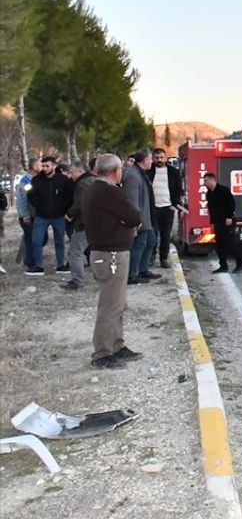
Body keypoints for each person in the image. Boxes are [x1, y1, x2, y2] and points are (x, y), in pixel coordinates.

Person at [81, 153, 144, 369]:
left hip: (105, 253)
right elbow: (134, 217)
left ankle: (117, 345)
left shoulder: (93, 189)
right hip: (111, 255)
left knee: (117, 303)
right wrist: (128, 224)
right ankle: (102, 353)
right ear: (116, 172)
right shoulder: (108, 192)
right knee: (110, 306)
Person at [28, 155, 74, 275]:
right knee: (36, 240)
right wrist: (40, 207)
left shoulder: (63, 180)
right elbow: (31, 196)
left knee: (59, 241)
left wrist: (64, 210)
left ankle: (60, 265)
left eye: (47, 166)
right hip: (41, 216)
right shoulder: (36, 180)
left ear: (54, 166)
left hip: (58, 216)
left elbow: (70, 196)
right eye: (43, 166)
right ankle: (38, 266)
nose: (44, 168)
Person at [122, 150, 160, 284]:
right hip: (140, 219)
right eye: (150, 159)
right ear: (144, 161)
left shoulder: (140, 173)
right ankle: (132, 274)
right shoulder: (132, 175)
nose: (152, 161)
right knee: (139, 246)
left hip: (147, 217)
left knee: (151, 242)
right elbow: (132, 201)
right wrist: (136, 219)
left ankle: (143, 270)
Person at [147, 147, 184, 269]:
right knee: (152, 234)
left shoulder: (173, 172)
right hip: (152, 208)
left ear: (165, 157)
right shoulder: (148, 172)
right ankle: (151, 257)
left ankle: (163, 258)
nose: (159, 160)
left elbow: (179, 189)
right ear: (153, 158)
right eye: (156, 158)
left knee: (165, 235)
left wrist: (175, 204)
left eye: (161, 157)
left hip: (167, 208)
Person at [61, 160, 95, 290]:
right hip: (95, 222)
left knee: (75, 252)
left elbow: (80, 203)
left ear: (80, 171)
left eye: (72, 172)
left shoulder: (83, 183)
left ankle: (78, 281)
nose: (70, 175)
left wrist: (69, 214)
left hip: (84, 222)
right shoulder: (93, 180)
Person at [204, 173, 242, 273]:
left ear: (212, 180)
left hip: (227, 221)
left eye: (206, 181)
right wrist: (212, 222)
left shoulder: (223, 190)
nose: (204, 183)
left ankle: (240, 263)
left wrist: (229, 217)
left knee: (230, 243)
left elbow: (231, 203)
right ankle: (223, 265)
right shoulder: (209, 193)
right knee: (219, 245)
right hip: (217, 222)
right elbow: (211, 209)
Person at [15, 159, 39, 273]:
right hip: (28, 216)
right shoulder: (25, 182)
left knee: (37, 238)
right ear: (34, 166)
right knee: (30, 239)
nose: (42, 167)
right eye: (39, 164)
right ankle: (30, 263)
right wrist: (25, 215)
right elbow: (22, 200)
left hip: (35, 215)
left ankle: (28, 258)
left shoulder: (36, 180)